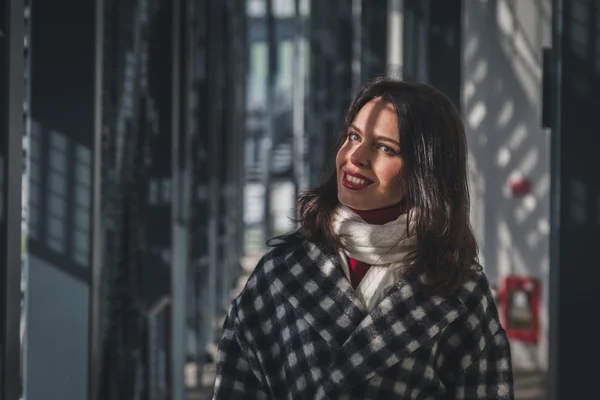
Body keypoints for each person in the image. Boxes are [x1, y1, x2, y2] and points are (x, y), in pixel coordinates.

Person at [212, 78, 514, 399]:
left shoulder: (460, 290)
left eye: (385, 148)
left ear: (425, 170)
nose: (355, 156)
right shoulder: (280, 273)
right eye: (354, 136)